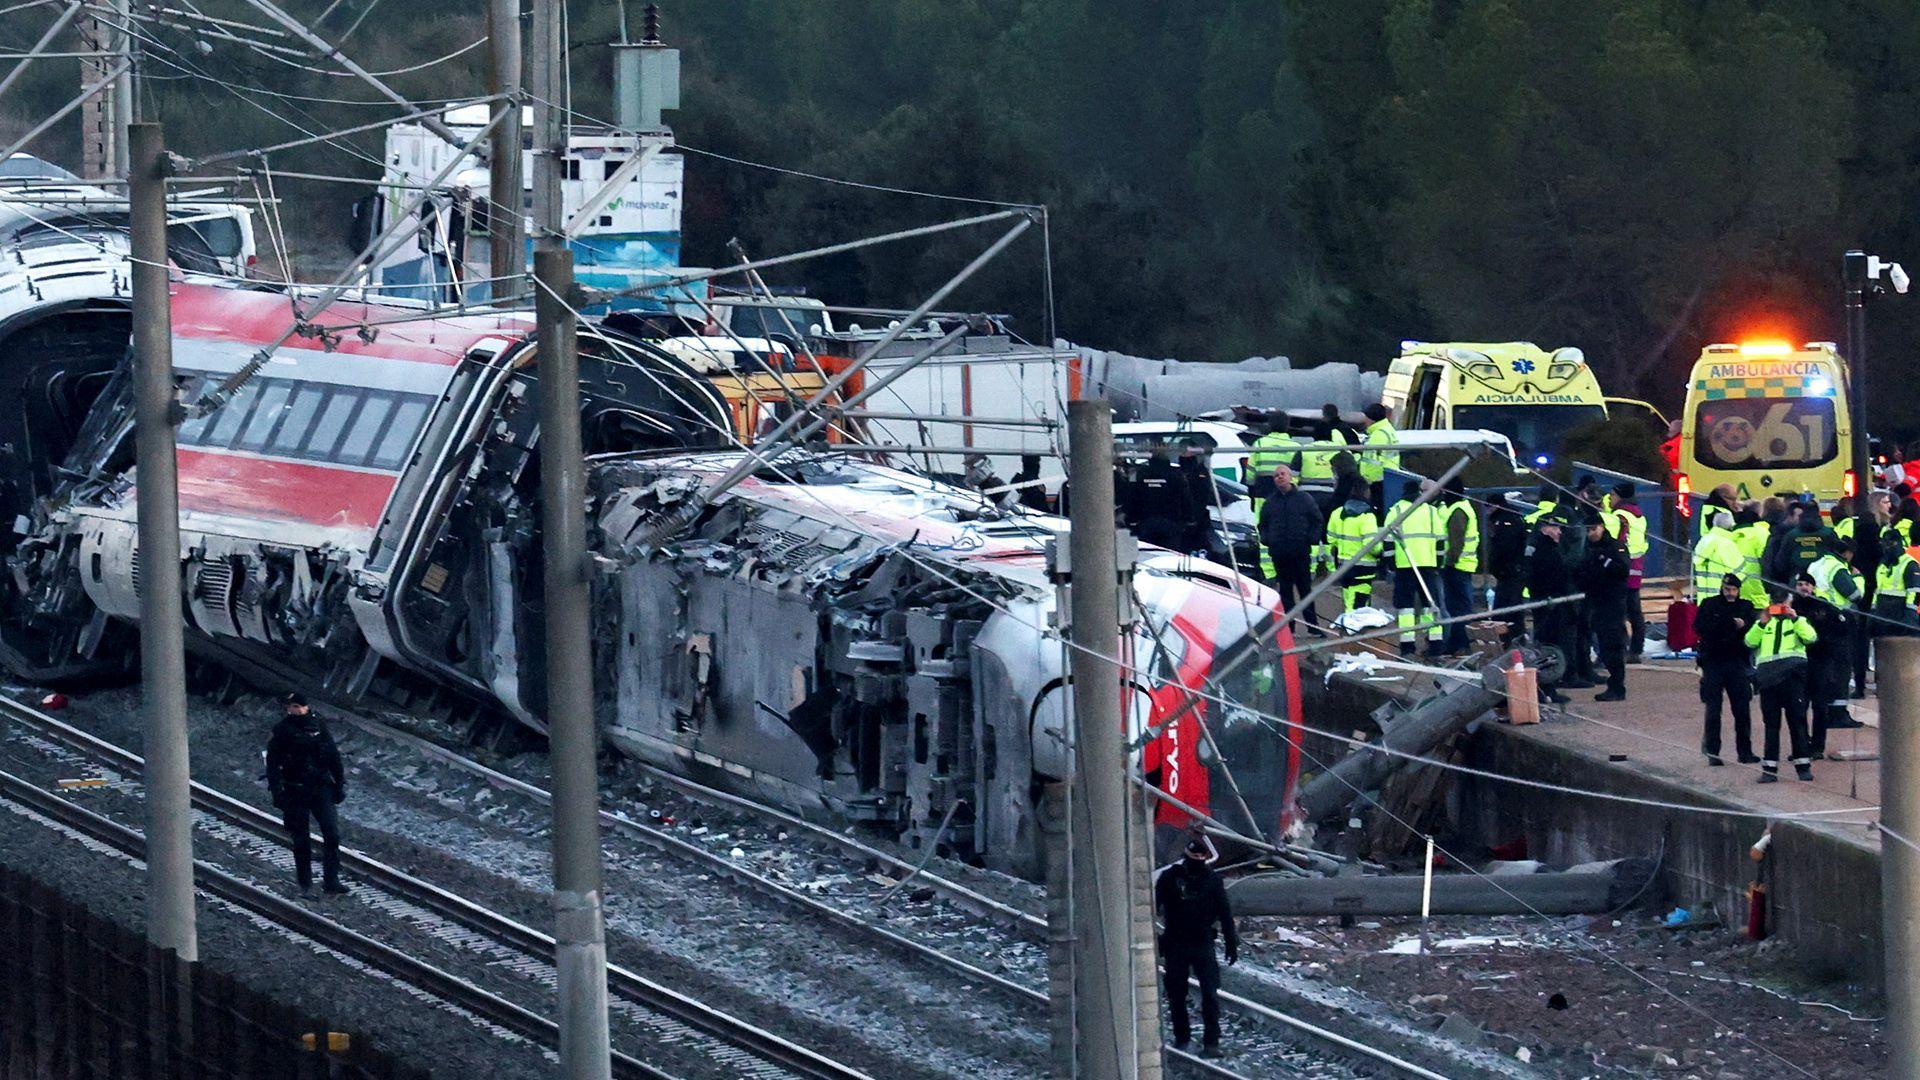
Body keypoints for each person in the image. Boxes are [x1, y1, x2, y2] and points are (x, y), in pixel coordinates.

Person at [1156, 835, 1238, 1058]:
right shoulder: (1169, 878)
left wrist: (1232, 942)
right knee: (1176, 994)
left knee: (1210, 993)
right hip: (1176, 942)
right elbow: (1151, 908)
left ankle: (1211, 1042)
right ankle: (1182, 1038)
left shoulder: (1212, 880)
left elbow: (1224, 911)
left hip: (1202, 942)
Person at [266, 693, 348, 895]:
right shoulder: (282, 731)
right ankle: (305, 884)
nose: (292, 710)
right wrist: (278, 792)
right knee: (301, 840)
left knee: (332, 834)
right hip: (295, 790)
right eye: (290, 706)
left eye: (296, 706)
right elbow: (273, 764)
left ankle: (331, 880)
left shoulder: (319, 726)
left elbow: (333, 756)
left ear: (305, 707)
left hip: (320, 788)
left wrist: (339, 784)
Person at [1746, 590, 1818, 783]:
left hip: (1792, 679)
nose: (1780, 608)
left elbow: (1811, 638)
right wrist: (1762, 622)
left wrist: (1794, 619)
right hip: (1769, 681)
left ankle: (1803, 766)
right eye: (1776, 604)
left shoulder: (1798, 622)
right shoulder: (1763, 623)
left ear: (1790, 604)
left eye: (1783, 604)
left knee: (1797, 722)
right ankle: (1769, 769)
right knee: (1771, 725)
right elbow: (1749, 641)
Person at [1695, 573, 1758, 766]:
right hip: (1713, 662)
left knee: (1742, 710)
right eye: (1726, 589)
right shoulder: (1709, 604)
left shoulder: (1746, 607)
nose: (1729, 593)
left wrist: (1740, 626)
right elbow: (1700, 627)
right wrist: (1730, 624)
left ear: (1738, 590)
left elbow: (1752, 633)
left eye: (1733, 590)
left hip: (1737, 663)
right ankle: (1713, 752)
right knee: (1713, 710)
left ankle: (1745, 752)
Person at [1258, 464, 1323, 630]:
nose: (1279, 477)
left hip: (1300, 551)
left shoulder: (1304, 499)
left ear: (1290, 477)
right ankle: (1289, 627)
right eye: (1276, 476)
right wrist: (1267, 539)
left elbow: (1317, 520)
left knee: (1305, 590)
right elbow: (1262, 524)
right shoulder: (1270, 502)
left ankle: (1312, 626)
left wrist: (1311, 539)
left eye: (1282, 474)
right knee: (1285, 591)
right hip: (1279, 553)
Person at [1792, 569, 1848, 761]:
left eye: (1807, 585)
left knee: (1820, 707)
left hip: (1820, 662)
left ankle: (1817, 747)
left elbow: (1842, 628)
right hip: (1798, 663)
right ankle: (1801, 746)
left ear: (1813, 587)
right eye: (1800, 585)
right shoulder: (1790, 607)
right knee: (1798, 708)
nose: (1803, 588)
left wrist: (1827, 646)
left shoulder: (1823, 606)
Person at [1579, 512, 1631, 701]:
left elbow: (1622, 570)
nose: (1591, 533)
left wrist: (1603, 559)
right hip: (1597, 603)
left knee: (1613, 645)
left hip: (1613, 603)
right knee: (1604, 645)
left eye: (1593, 529)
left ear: (1601, 527)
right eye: (1588, 530)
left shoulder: (1614, 547)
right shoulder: (1588, 549)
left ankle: (1617, 685)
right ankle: (1614, 684)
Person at [1390, 480, 1445, 656]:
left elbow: (1387, 541)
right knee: (1430, 604)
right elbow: (1440, 540)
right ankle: (1435, 645)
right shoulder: (1430, 510)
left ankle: (1407, 648)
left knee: (1405, 608)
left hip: (1405, 564)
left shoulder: (1396, 510)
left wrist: (1391, 565)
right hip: (1428, 564)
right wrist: (1438, 562)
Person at [1525, 515, 1575, 704]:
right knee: (1550, 648)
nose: (1559, 531)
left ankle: (1546, 689)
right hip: (1551, 605)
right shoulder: (1547, 551)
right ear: (1545, 528)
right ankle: (1548, 689)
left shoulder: (1536, 547)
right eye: (1555, 527)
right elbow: (1556, 577)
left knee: (1545, 644)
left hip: (1545, 602)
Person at [1605, 483, 1650, 662]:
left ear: (1620, 496)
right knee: (1635, 611)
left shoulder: (1619, 516)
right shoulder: (1639, 515)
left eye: (1612, 494)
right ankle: (1637, 649)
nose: (1610, 498)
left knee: (1618, 611)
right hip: (1636, 566)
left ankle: (1622, 648)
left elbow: (1617, 540)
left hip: (1621, 568)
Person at [1320, 492, 1380, 613]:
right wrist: (1380, 552)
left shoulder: (1337, 513)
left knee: (1348, 596)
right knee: (1360, 600)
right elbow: (1372, 546)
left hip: (1344, 563)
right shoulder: (1367, 516)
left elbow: (1331, 539)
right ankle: (1355, 626)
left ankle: (1349, 622)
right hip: (1364, 566)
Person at [1439, 479, 1480, 655]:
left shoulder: (1457, 511)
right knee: (1459, 608)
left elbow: (1456, 542)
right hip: (1463, 566)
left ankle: (1461, 645)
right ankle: (1458, 644)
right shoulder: (1463, 508)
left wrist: (1449, 562)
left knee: (1459, 609)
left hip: (1457, 567)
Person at [1485, 491, 1530, 642]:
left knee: (1506, 610)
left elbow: (1504, 548)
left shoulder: (1506, 521)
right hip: (1510, 572)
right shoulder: (1510, 518)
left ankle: (1509, 640)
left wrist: (1498, 567)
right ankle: (1514, 639)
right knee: (1511, 610)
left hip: (1510, 573)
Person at [1130, 448, 1194, 550]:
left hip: (1147, 520)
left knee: (1148, 552)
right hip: (1172, 521)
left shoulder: (1142, 474)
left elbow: (1134, 497)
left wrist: (1132, 519)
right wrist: (1188, 519)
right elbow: (1185, 498)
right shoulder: (1176, 475)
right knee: (1171, 553)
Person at [1873, 530, 1920, 637]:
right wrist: (1873, 610)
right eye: (1883, 544)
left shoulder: (1910, 564)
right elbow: (1878, 588)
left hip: (1900, 613)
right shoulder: (1883, 564)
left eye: (1888, 544)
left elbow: (1915, 592)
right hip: (1882, 614)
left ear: (1897, 543)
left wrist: (1909, 615)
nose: (1885, 548)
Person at [1692, 509, 1746, 601]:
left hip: (1703, 600)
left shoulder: (1704, 540)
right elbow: (1739, 574)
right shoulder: (1727, 544)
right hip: (1724, 600)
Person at [1297, 402, 1350, 488]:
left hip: (1306, 490)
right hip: (1331, 491)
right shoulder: (1339, 450)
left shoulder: (1303, 450)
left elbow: (1294, 474)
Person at [1358, 403, 1399, 510]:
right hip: (1389, 477)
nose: (1364, 420)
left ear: (1372, 419)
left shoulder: (1378, 435)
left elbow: (1373, 462)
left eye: (1366, 418)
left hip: (1377, 481)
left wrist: (1367, 479)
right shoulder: (1387, 429)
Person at [1731, 505, 1773, 609]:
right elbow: (1768, 563)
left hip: (1735, 595)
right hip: (1760, 597)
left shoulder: (1730, 536)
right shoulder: (1762, 534)